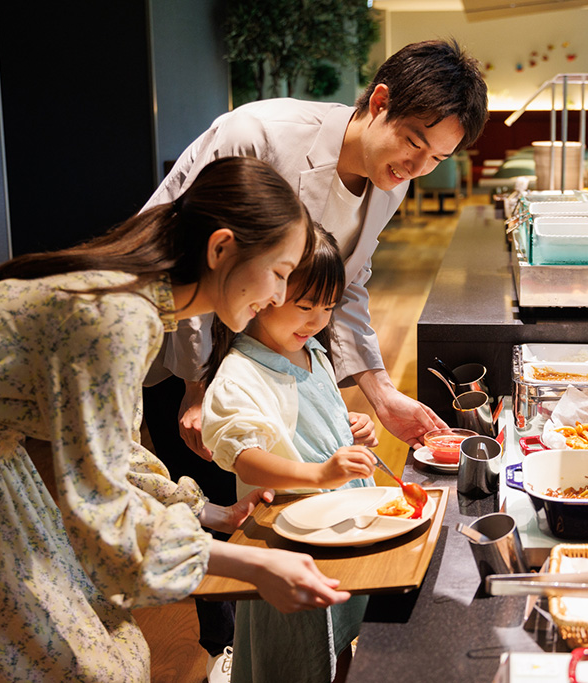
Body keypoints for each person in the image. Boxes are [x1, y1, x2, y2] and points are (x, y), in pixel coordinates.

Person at [0, 156, 350, 682]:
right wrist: (253, 565)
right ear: (221, 248)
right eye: (278, 274)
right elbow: (101, 514)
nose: (278, 295)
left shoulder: (133, 300)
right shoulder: (119, 319)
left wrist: (214, 516)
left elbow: (105, 453)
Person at [142, 39, 489, 674]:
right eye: (414, 142)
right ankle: (224, 655)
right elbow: (185, 258)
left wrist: (382, 396)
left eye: (436, 157)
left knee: (265, 508)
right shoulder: (258, 134)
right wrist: (195, 386)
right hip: (182, 342)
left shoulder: (389, 185)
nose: (418, 166)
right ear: (379, 101)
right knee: (222, 502)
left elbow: (348, 285)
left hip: (277, 346)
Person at [202, 224, 378, 682]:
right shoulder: (239, 373)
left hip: (339, 526)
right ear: (266, 293)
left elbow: (323, 418)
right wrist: (319, 474)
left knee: (342, 638)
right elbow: (244, 457)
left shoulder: (313, 350)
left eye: (328, 307)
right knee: (294, 655)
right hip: (287, 539)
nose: (317, 320)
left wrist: (352, 429)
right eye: (304, 306)